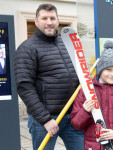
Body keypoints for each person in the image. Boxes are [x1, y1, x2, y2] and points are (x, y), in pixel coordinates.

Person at [14, 4, 84, 150]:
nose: (49, 22)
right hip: (46, 120)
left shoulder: (67, 44)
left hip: (73, 116)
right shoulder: (27, 48)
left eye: (52, 18)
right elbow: (24, 87)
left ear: (58, 21)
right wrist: (45, 119)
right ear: (36, 21)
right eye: (44, 18)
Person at [70, 40, 113, 150]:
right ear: (100, 70)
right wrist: (85, 111)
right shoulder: (86, 92)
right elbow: (76, 124)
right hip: (93, 146)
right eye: (108, 69)